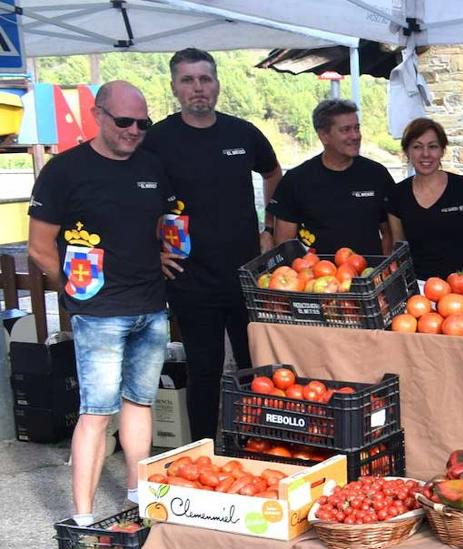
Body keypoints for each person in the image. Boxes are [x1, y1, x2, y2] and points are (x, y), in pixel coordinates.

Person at [26, 81, 176, 518]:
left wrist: (164, 250)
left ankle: (137, 495)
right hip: (100, 312)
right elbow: (39, 246)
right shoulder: (64, 170)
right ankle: (84, 516)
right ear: (98, 115)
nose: (134, 130)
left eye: (142, 123)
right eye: (124, 121)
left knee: (140, 402)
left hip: (150, 306)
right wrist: (71, 288)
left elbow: (157, 224)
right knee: (95, 412)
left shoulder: (151, 166)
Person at [142, 48, 282, 442]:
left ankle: (260, 443)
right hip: (190, 274)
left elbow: (273, 173)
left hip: (244, 272)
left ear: (217, 83)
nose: (198, 88)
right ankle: (205, 448)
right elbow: (138, 196)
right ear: (175, 87)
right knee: (205, 369)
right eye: (188, 80)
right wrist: (154, 247)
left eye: (204, 79)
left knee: (255, 366)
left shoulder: (242, 133)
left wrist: (268, 226)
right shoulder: (158, 139)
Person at [270, 99, 393, 256]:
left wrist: (382, 272)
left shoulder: (377, 174)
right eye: (346, 130)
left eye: (357, 128)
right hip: (316, 277)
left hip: (370, 276)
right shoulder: (296, 180)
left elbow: (390, 234)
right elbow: (284, 245)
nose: (355, 136)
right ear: (324, 135)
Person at [386, 117, 463, 279]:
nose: (425, 154)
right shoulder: (397, 195)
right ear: (407, 152)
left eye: (433, 146)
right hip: (419, 292)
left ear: (442, 150)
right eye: (417, 147)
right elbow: (398, 251)